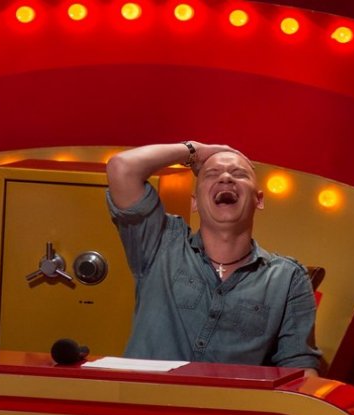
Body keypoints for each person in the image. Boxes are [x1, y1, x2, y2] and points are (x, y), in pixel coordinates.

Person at [106, 142, 321, 376]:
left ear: (258, 200)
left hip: (228, 401)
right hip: (144, 398)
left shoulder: (288, 278)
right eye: (212, 174)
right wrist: (194, 151)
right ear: (195, 202)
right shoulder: (161, 243)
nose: (226, 178)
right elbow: (122, 168)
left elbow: (300, 369)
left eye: (239, 174)